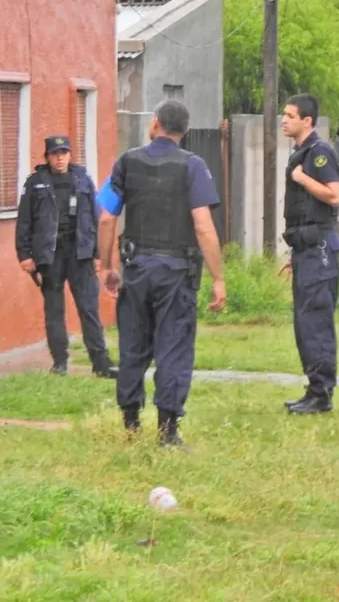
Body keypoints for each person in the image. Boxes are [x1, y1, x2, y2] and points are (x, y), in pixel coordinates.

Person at [95, 100, 227, 446]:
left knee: (133, 344)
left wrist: (107, 266)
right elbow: (203, 226)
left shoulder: (126, 162)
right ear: (184, 131)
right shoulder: (193, 166)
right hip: (176, 272)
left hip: (136, 268)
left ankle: (130, 422)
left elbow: (107, 216)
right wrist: (218, 277)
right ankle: (167, 431)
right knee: (173, 346)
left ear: (155, 123)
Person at [15, 135, 118, 379]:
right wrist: (24, 254)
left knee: (89, 309)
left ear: (70, 154)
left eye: (64, 153)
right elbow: (24, 221)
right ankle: (59, 362)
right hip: (50, 254)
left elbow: (94, 218)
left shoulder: (82, 179)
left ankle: (101, 363)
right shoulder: (36, 183)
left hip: (80, 252)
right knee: (54, 310)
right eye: (55, 153)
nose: (60, 158)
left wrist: (97, 255)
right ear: (47, 156)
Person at [278, 93, 339, 416]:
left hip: (319, 251)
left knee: (316, 322)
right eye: (284, 115)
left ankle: (322, 393)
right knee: (304, 323)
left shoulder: (318, 154)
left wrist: (302, 177)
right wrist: (296, 254)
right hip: (307, 250)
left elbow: (333, 196)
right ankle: (314, 388)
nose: (284, 120)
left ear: (307, 121)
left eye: (290, 115)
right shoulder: (301, 152)